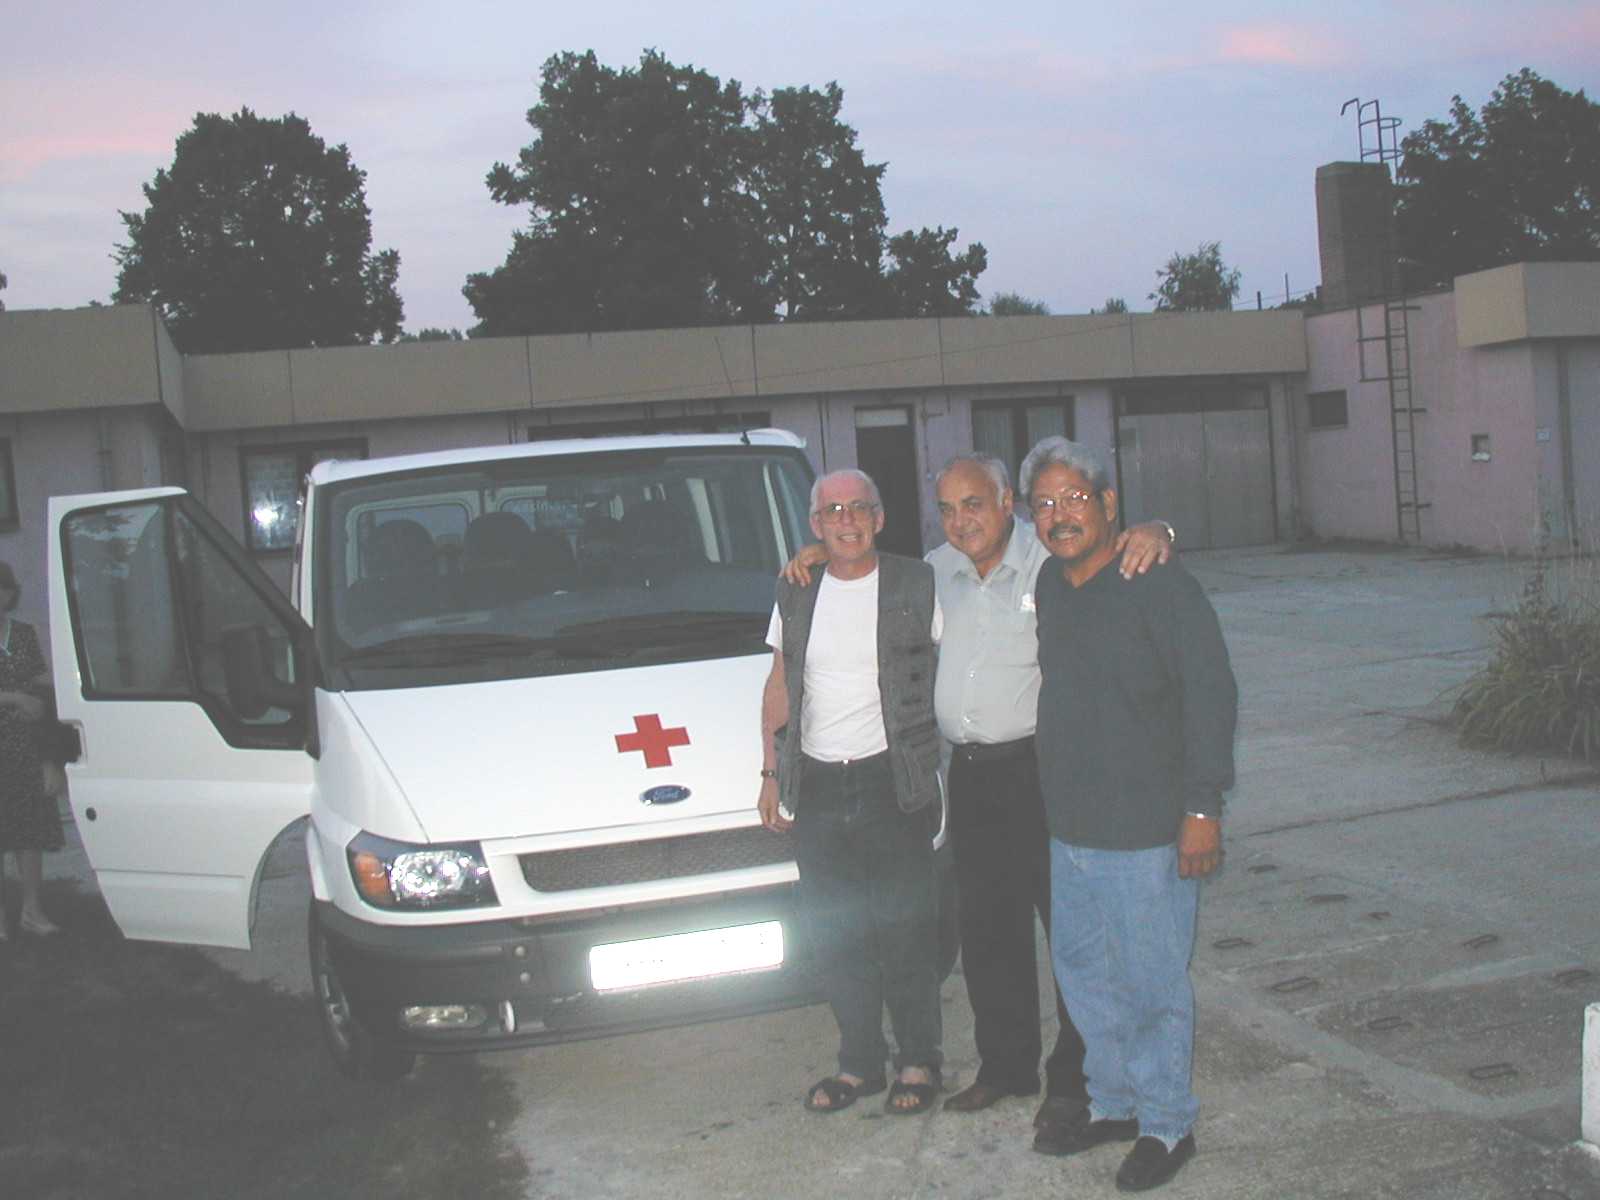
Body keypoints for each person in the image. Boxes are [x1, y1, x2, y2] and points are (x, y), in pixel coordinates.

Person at [784, 456, 1174, 1143]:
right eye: (948, 508)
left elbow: (1110, 542)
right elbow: (864, 565)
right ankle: (1006, 1066)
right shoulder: (934, 571)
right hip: (967, 773)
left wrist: (1157, 528)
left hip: (1044, 770)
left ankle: (1077, 1078)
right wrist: (823, 550)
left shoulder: (1050, 556)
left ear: (1008, 503)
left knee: (1072, 938)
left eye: (975, 504)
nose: (961, 520)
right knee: (988, 932)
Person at [1023, 437, 1236, 1193]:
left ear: (1111, 505)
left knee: (1151, 985)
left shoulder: (1158, 578)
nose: (1059, 515)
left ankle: (1168, 1123)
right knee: (1084, 976)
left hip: (1148, 832)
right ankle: (1113, 1103)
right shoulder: (1049, 582)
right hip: (1071, 827)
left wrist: (1202, 808)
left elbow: (1211, 696)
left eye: (1075, 498)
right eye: (1044, 504)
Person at [758, 469, 945, 1115]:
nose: (846, 520)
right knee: (838, 938)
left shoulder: (916, 583)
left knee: (904, 932)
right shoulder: (796, 589)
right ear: (814, 524)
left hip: (892, 779)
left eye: (858, 508)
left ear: (880, 516)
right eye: (831, 510)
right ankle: (859, 1065)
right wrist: (769, 776)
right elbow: (780, 683)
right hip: (816, 785)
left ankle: (918, 1060)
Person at [0, 561, 63, 940]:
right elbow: (23, 694)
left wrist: (51, 761)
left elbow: (43, 688)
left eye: (4, 588)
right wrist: (12, 697)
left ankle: (31, 911)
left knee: (30, 832)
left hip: (27, 748)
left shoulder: (23, 635)